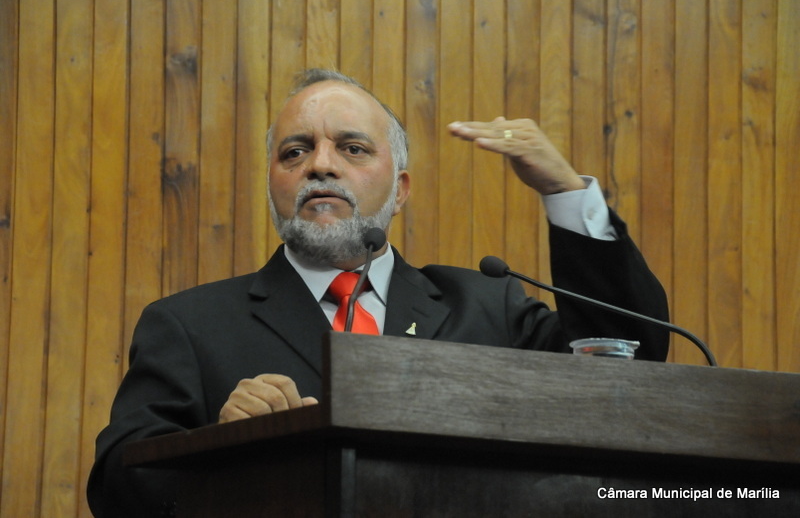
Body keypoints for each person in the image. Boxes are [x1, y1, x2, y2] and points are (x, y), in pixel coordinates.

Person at [87, 68, 669, 517]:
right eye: (295, 152)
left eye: (353, 148)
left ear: (400, 189)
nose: (320, 165)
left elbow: (626, 361)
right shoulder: (190, 325)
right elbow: (118, 486)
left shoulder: (487, 306)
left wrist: (565, 192)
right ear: (272, 185)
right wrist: (224, 445)